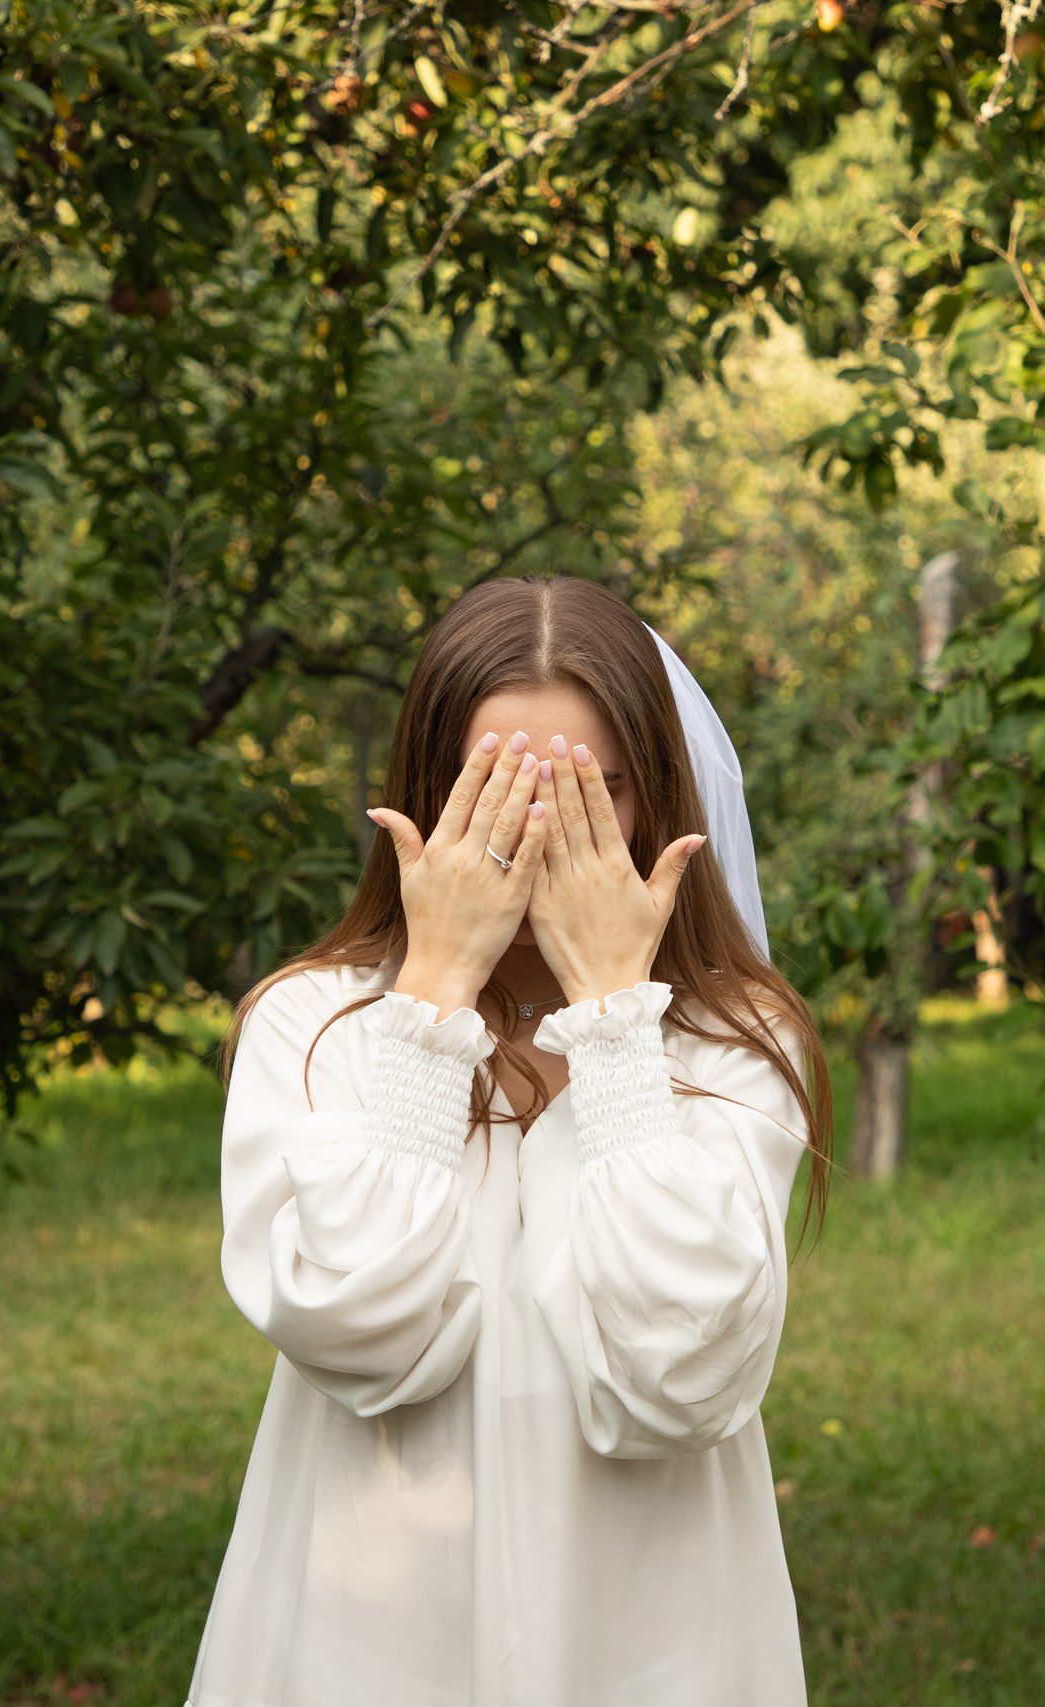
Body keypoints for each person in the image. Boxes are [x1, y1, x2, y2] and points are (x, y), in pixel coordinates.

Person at [186, 577, 832, 1707]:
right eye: (494, 789)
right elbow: (353, 1331)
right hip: (368, 1638)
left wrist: (616, 1025)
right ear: (426, 793)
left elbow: (678, 1378)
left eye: (591, 792)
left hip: (651, 1631)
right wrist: (432, 1001)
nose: (537, 834)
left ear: (658, 794)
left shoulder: (738, 1037)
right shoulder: (313, 1022)